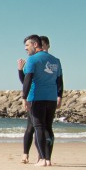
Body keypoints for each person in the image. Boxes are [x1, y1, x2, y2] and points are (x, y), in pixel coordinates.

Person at [21, 34, 62, 167]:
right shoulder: (56, 60)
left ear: (35, 44)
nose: (26, 48)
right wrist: (59, 95)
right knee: (48, 127)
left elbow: (27, 79)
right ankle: (48, 159)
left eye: (27, 45)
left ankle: (42, 159)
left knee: (38, 127)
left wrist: (24, 97)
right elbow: (59, 80)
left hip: (37, 97)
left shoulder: (32, 60)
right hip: (51, 98)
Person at [17, 35, 52, 163]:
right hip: (34, 97)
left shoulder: (50, 61)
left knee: (43, 127)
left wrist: (58, 95)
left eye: (44, 44)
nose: (26, 48)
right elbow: (25, 81)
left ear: (46, 46)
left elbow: (57, 80)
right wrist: (20, 70)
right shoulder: (32, 60)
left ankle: (44, 158)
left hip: (43, 98)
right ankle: (26, 154)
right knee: (32, 127)